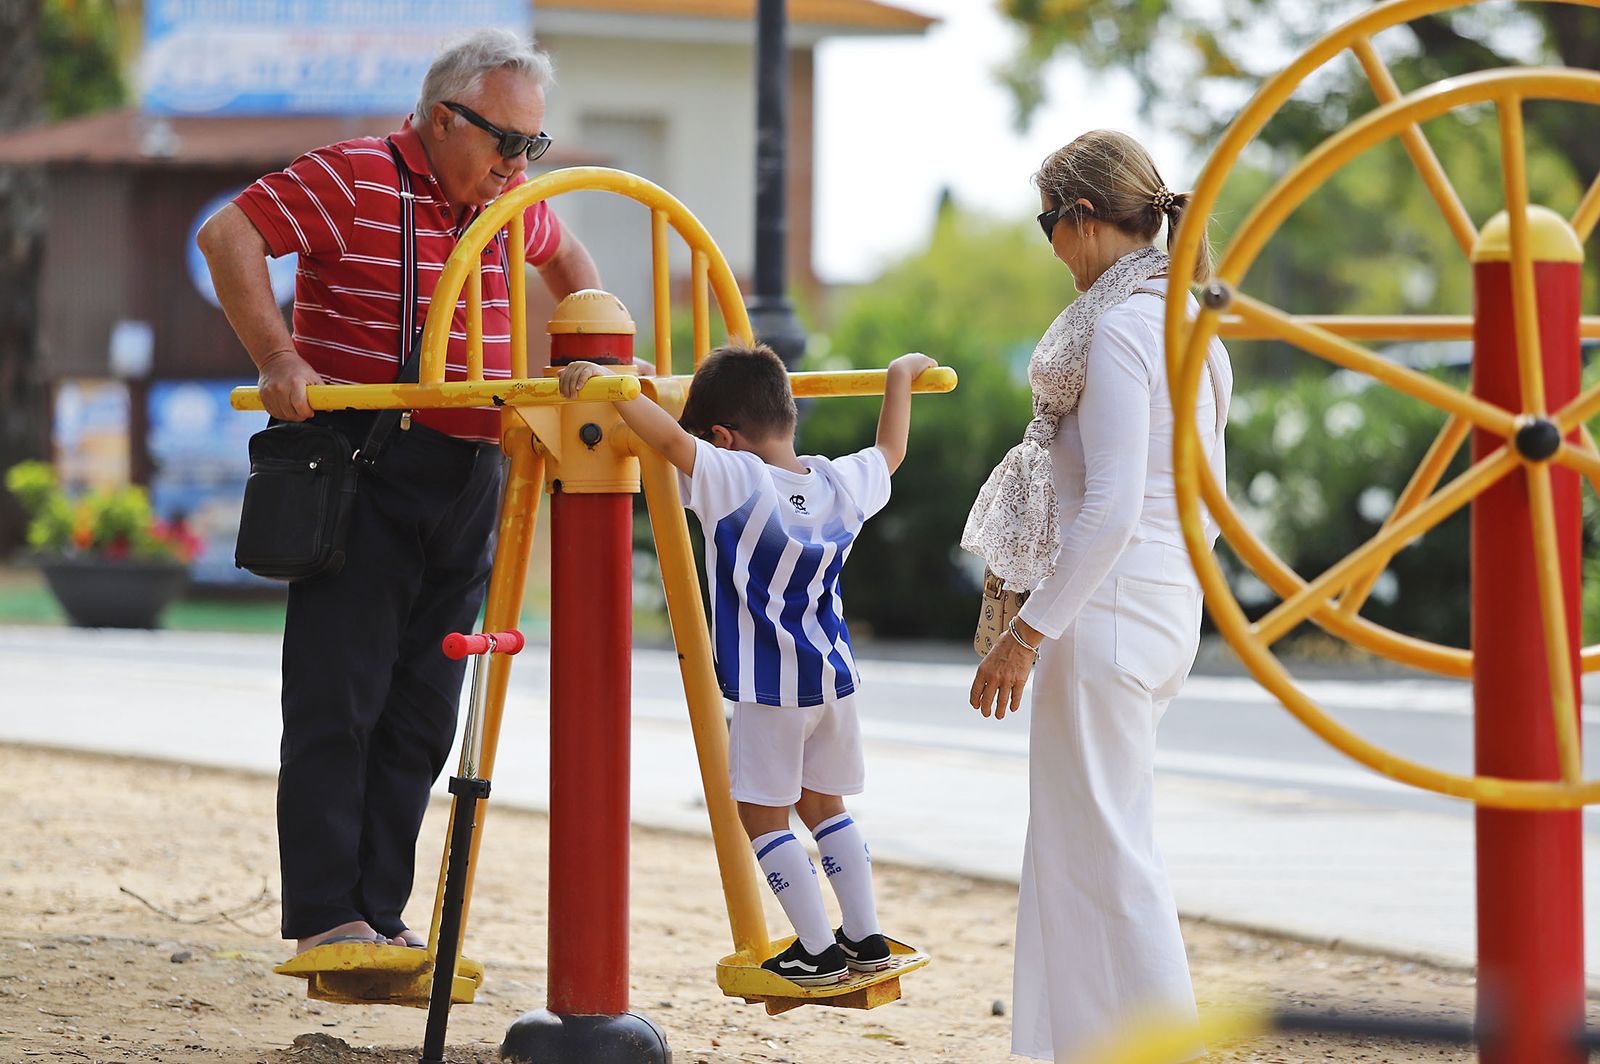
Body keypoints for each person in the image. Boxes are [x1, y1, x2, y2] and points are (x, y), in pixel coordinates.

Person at [197, 30, 601, 955]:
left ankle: (378, 914)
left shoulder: (506, 205)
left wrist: (583, 357)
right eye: (504, 140)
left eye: (531, 147)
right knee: (340, 698)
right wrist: (279, 355)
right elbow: (229, 235)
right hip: (363, 462)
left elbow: (571, 262)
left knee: (425, 709)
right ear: (437, 117)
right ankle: (326, 920)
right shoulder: (353, 177)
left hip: (471, 476)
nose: (515, 163)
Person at [961, 130, 1233, 1062]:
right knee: (1074, 850)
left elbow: (1110, 509)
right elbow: (1210, 501)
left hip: (1104, 611)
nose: (1049, 246)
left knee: (1108, 858)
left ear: (1080, 219)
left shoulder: (1119, 330)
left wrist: (1026, 635)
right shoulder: (1192, 325)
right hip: (1160, 609)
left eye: (1048, 223)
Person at [558, 343, 935, 986]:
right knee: (826, 804)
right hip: (833, 679)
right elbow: (891, 452)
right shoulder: (837, 481)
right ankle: (865, 934)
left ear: (726, 438)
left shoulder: (737, 478)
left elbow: (672, 444)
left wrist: (611, 385)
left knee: (762, 813)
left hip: (769, 689)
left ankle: (816, 950)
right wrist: (898, 375)